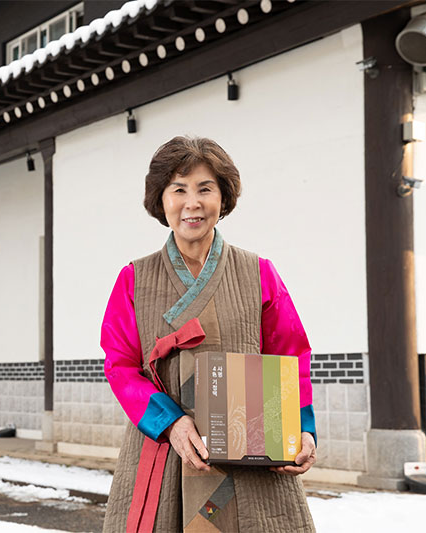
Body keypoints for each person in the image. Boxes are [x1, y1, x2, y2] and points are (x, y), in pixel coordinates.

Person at [101, 136, 317, 532]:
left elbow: (291, 355)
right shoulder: (133, 279)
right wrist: (171, 423)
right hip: (167, 448)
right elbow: (121, 365)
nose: (192, 203)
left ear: (223, 197)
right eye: (178, 189)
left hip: (251, 453)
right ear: (160, 199)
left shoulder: (258, 272)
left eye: (205, 189)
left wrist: (302, 429)